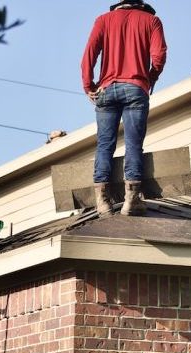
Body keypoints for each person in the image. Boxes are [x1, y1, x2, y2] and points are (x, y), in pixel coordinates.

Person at [81, 0, 167, 216]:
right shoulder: (152, 21)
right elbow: (159, 56)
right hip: (136, 88)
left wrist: (88, 85)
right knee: (133, 144)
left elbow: (89, 55)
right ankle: (132, 199)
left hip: (106, 89)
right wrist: (149, 78)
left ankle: (102, 202)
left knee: (104, 145)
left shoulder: (103, 20)